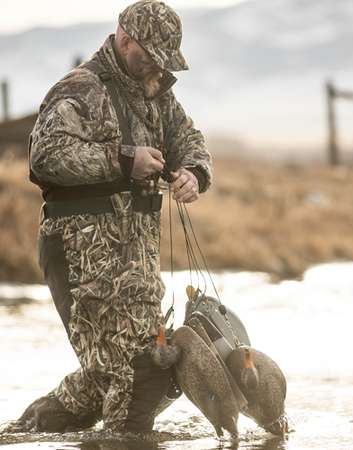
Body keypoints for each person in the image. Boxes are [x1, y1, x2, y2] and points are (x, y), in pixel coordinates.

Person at [15, 0, 212, 434]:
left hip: (138, 255)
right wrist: (125, 161)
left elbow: (190, 140)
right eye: (150, 56)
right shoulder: (79, 90)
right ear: (125, 39)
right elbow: (44, 157)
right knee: (143, 372)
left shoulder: (157, 93)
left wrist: (193, 175)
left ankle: (31, 432)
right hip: (82, 251)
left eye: (164, 59)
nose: (157, 68)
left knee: (141, 368)